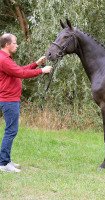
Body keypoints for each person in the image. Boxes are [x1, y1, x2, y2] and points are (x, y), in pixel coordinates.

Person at [0, 33, 52, 172]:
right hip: (9, 100)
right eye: (15, 43)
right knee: (11, 131)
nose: (17, 45)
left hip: (11, 100)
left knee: (11, 131)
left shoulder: (6, 59)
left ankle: (6, 160)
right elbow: (22, 74)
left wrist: (36, 64)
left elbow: (20, 70)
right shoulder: (4, 60)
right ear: (7, 44)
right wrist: (42, 70)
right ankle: (4, 163)